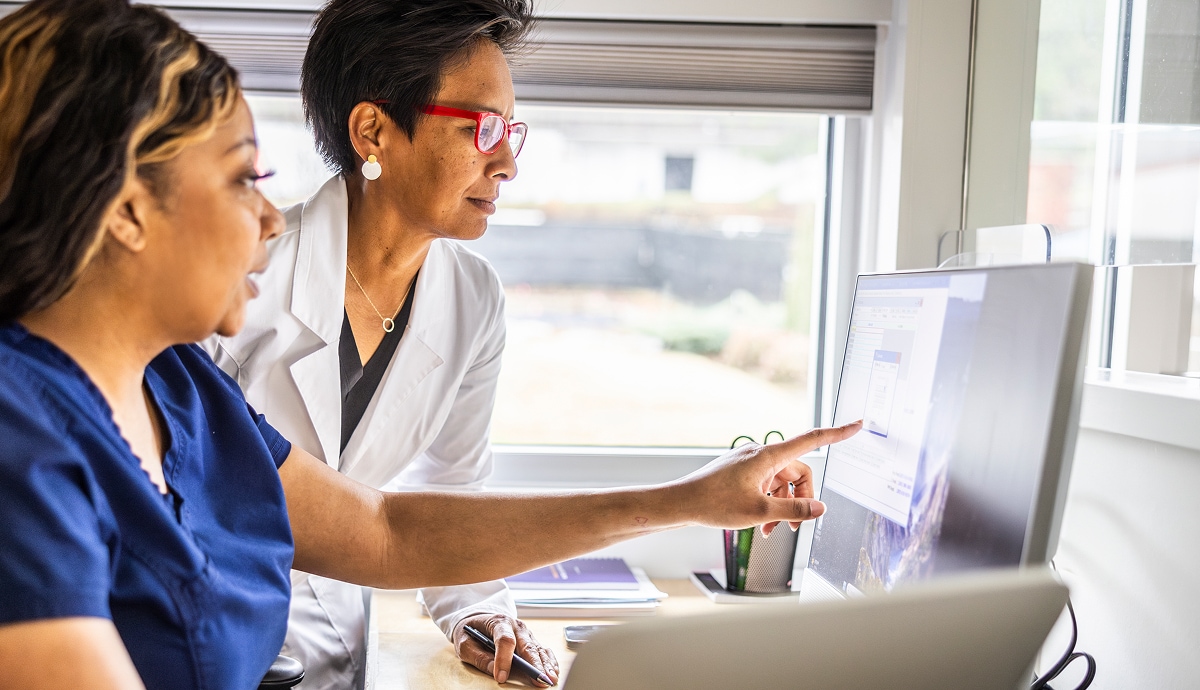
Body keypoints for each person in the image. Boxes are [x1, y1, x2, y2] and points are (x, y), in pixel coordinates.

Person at [0, 2, 860, 689]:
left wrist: (687, 498)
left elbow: (389, 530)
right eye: (240, 179)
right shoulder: (29, 438)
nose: (267, 219)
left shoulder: (184, 388)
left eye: (511, 133)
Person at [203, 1, 552, 687]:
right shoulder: (244, 278)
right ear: (373, 131)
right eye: (482, 128)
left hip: (345, 650)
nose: (507, 163)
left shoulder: (474, 298)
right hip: (217, 644)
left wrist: (478, 609)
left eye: (511, 131)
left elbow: (451, 489)